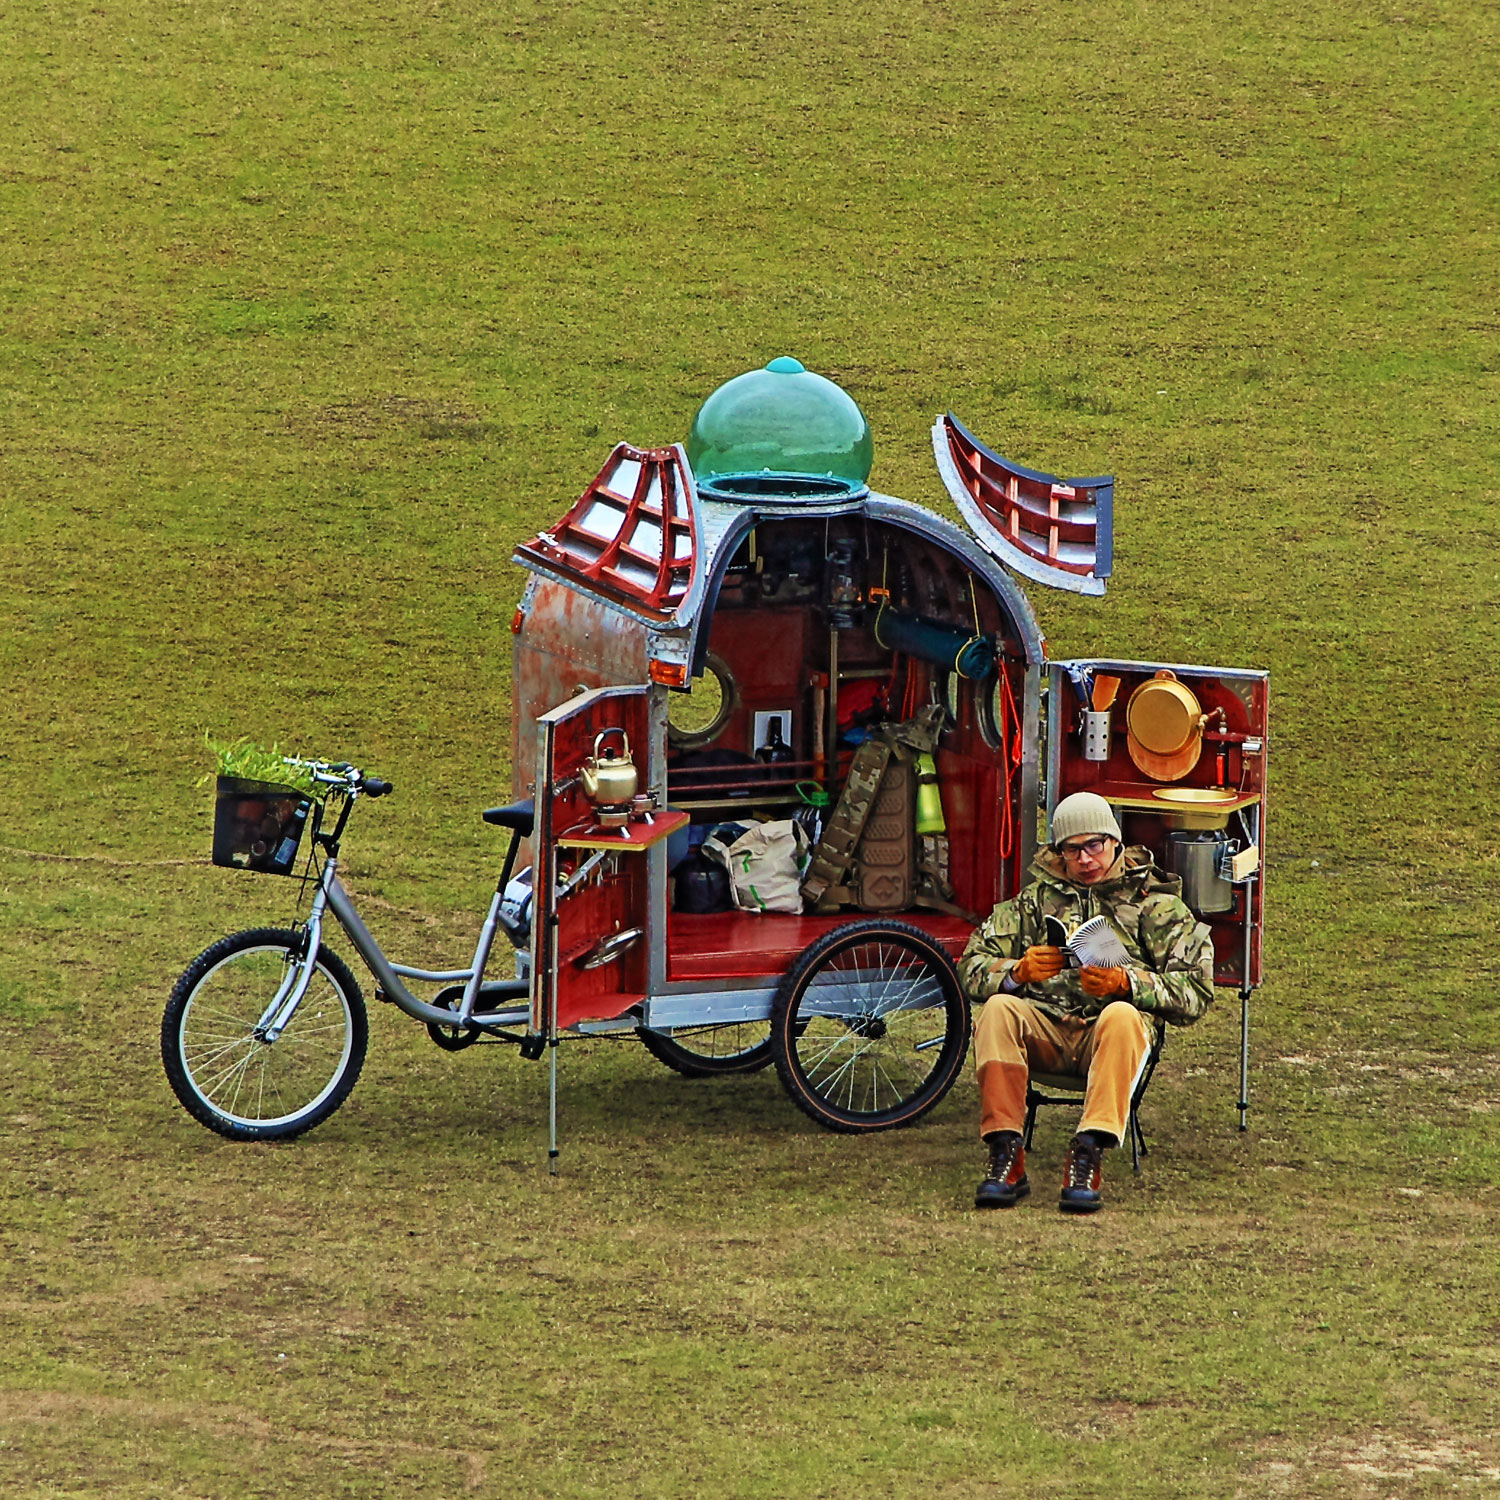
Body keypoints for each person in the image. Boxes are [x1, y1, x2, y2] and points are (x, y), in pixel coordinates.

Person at [958, 792, 1215, 1213]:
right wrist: (1015, 972)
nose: (1084, 859)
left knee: (1120, 1015)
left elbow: (1197, 991)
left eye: (1094, 844)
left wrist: (1127, 982)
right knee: (999, 1009)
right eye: (1071, 849)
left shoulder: (1155, 904)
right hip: (1046, 1029)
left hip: (1112, 1036)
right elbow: (970, 965)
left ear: (1115, 841)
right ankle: (1006, 1152)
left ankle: (1089, 1152)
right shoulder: (1035, 902)